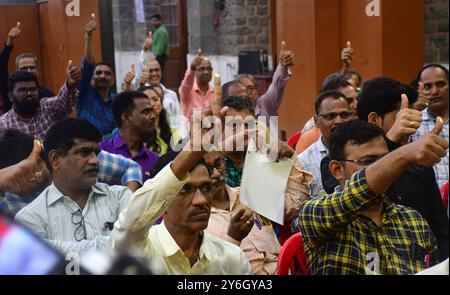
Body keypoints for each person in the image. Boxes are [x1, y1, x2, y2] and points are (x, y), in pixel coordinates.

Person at [108, 87, 252, 274]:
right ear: (162, 202)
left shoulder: (232, 259)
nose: (201, 201)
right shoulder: (138, 249)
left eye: (206, 188)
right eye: (185, 190)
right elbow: (132, 219)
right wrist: (194, 148)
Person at [319, 76, 449, 260]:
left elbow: (441, 234)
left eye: (412, 114)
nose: (412, 124)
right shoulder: (336, 162)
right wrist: (393, 143)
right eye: (401, 115)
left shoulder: (413, 215)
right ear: (374, 119)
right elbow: (357, 194)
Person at [298, 119, 448, 275]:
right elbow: (357, 192)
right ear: (337, 170)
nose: (384, 168)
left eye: (384, 159)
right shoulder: (315, 213)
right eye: (368, 161)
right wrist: (405, 154)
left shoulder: (413, 220)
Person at [15, 119, 132, 255]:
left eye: (96, 153)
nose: (95, 161)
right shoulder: (30, 218)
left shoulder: (120, 197)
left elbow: (136, 245)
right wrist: (114, 243)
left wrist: (57, 250)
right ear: (55, 159)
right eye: (84, 152)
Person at [203, 150, 311, 275]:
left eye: (218, 164)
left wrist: (288, 155)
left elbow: (296, 204)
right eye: (208, 169)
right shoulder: (196, 219)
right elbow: (211, 271)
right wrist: (233, 238)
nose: (216, 174)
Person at [0, 129, 143, 218]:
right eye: (13, 178)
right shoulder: (7, 198)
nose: (22, 182)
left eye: (26, 172)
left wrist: (126, 206)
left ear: (43, 159)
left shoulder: (80, 159)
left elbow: (131, 167)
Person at [122, 33, 188, 139]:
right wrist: (144, 51)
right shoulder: (141, 93)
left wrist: (181, 140)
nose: (154, 74)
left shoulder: (171, 94)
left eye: (157, 70)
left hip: (171, 138)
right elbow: (136, 81)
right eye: (150, 71)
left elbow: (179, 118)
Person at [0, 66, 81, 141]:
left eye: (33, 89)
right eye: (22, 90)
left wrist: (71, 84)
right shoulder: (4, 125)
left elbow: (63, 102)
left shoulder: (47, 107)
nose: (29, 94)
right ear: (10, 96)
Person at [297, 90, 353, 197]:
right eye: (330, 116)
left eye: (344, 115)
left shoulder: (364, 153)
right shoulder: (303, 163)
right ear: (316, 121)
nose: (339, 121)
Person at [100, 91, 159, 182]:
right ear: (126, 118)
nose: (153, 116)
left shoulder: (155, 160)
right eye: (146, 112)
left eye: (152, 111)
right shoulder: (101, 152)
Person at [1, 23, 54, 113]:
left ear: (37, 71)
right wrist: (9, 40)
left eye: (32, 68)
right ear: (17, 72)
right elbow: (1, 66)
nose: (29, 71)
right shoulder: (10, 91)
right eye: (24, 68)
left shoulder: (48, 94)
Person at [410, 64, 449, 189]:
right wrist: (414, 109)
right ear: (419, 90)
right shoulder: (412, 122)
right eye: (427, 87)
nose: (434, 91)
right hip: (426, 203)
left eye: (440, 84)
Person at [237, 41, 294, 123]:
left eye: (251, 88)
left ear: (257, 91)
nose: (248, 93)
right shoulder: (232, 114)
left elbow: (276, 86)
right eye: (244, 90)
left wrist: (282, 65)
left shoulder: (264, 104)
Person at [77, 18, 117, 136]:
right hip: (85, 146)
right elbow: (88, 64)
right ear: (92, 77)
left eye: (107, 73)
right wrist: (88, 36)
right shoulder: (85, 93)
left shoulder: (116, 101)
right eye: (98, 73)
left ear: (113, 80)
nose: (102, 76)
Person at [139, 85, 179, 156]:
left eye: (155, 99)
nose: (152, 104)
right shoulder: (136, 132)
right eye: (147, 100)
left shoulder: (172, 127)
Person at [179, 50, 214, 121]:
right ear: (194, 72)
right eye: (202, 69)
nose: (206, 72)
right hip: (191, 131)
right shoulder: (187, 91)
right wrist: (191, 70)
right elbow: (187, 84)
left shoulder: (215, 92)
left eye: (209, 69)